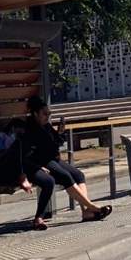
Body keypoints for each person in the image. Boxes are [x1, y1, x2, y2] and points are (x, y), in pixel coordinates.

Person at [20, 96, 111, 230]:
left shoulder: (46, 126)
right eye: (45, 114)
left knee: (79, 175)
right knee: (65, 177)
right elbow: (41, 149)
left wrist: (61, 132)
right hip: (42, 161)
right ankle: (91, 206)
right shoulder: (31, 129)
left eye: (49, 114)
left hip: (53, 159)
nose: (47, 117)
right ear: (35, 114)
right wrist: (39, 166)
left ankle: (86, 211)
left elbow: (57, 142)